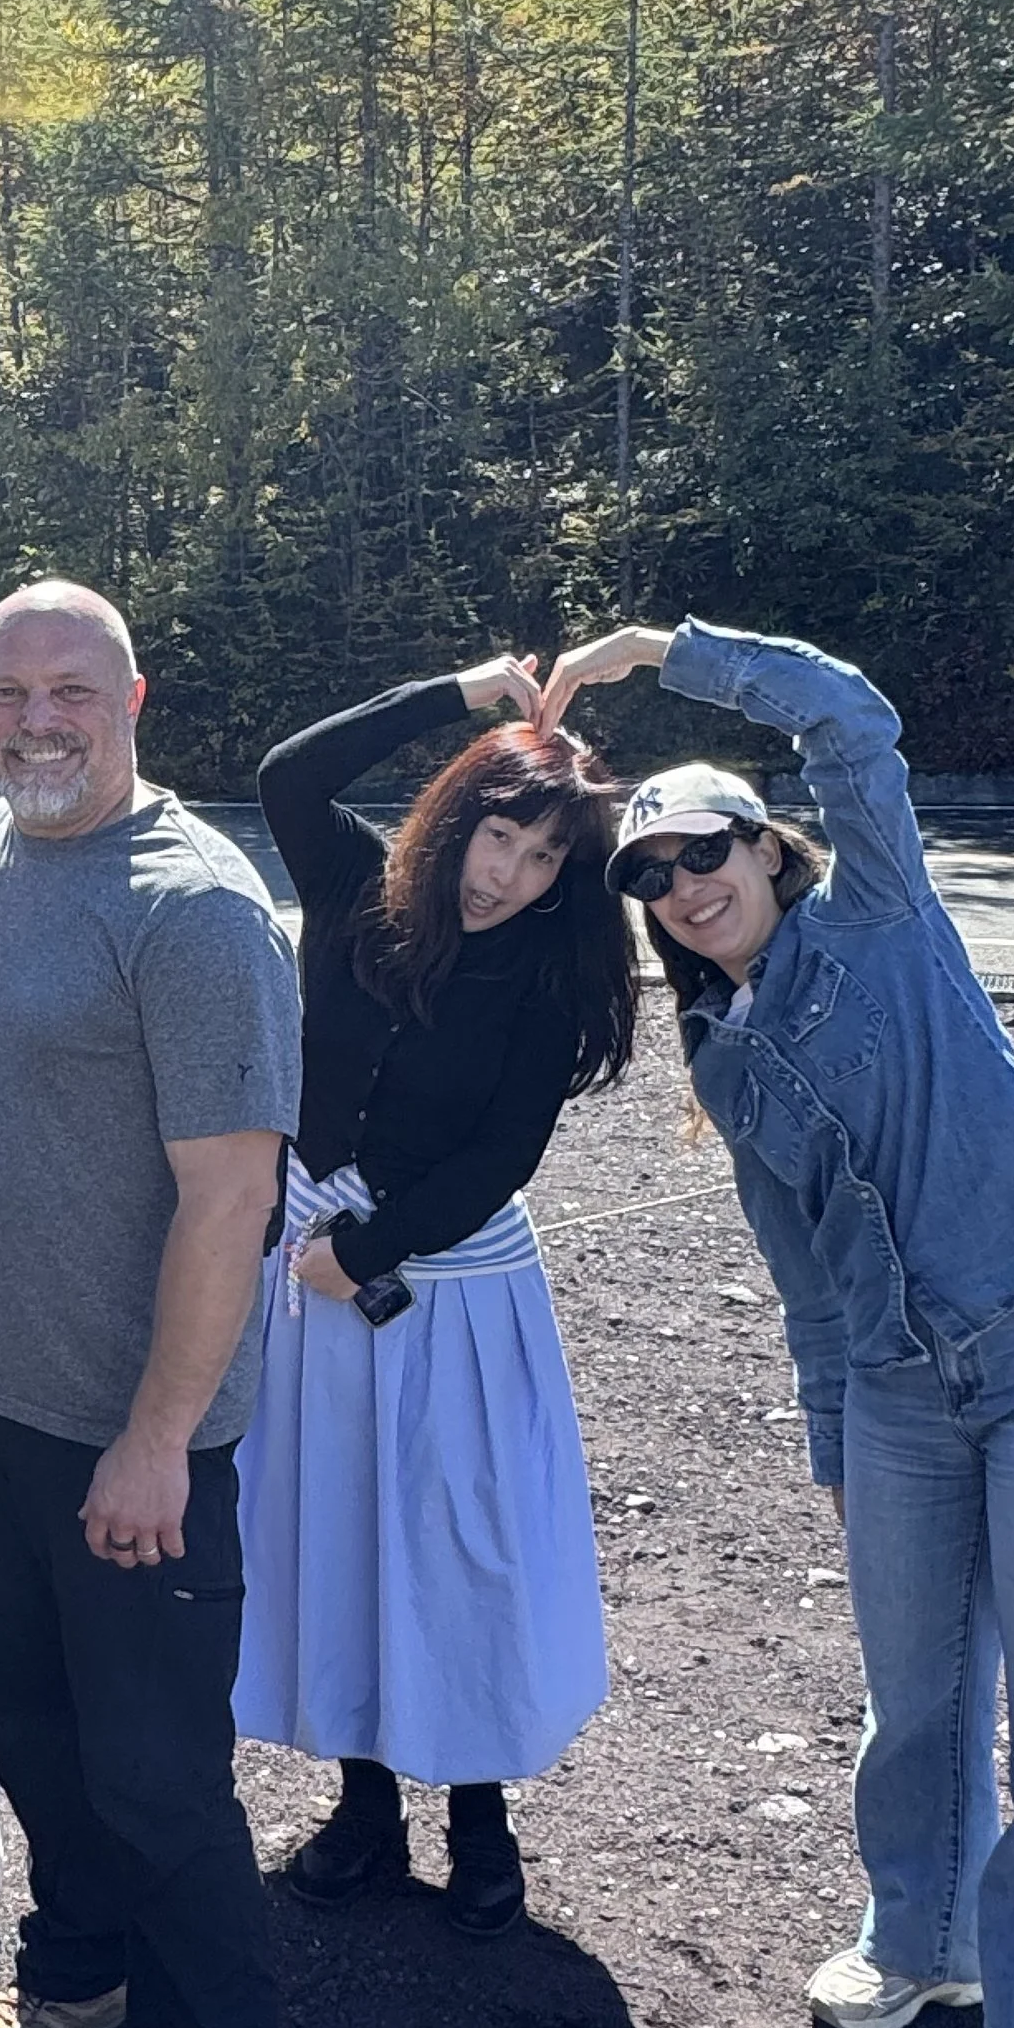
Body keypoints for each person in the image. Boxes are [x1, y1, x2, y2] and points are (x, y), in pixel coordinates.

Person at [539, 617, 1014, 2028]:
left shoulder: (879, 916)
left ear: (769, 847)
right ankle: (927, 1935)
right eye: (653, 878)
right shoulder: (726, 1055)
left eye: (705, 852)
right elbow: (801, 1262)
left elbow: (853, 721)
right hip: (898, 1387)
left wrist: (661, 650)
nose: (684, 889)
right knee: (919, 1682)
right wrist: (831, 1419)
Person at [0, 582, 302, 2028]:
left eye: (70, 688)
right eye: (8, 691)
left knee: (154, 1772)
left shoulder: (195, 908)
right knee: (9, 1697)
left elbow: (234, 1200)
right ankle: (82, 1964)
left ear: (135, 695)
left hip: (129, 1441)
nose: (36, 718)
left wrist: (158, 1435)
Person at [239, 659, 637, 1936]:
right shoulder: (360, 889)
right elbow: (286, 773)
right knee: (334, 1529)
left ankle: (480, 1819)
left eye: (538, 860)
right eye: (496, 834)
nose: (503, 874)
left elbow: (498, 1155)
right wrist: (459, 694)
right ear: (457, 812)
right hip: (307, 1258)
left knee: (456, 1542)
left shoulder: (544, 976)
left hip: (448, 1289)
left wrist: (365, 1253)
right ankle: (364, 1807)